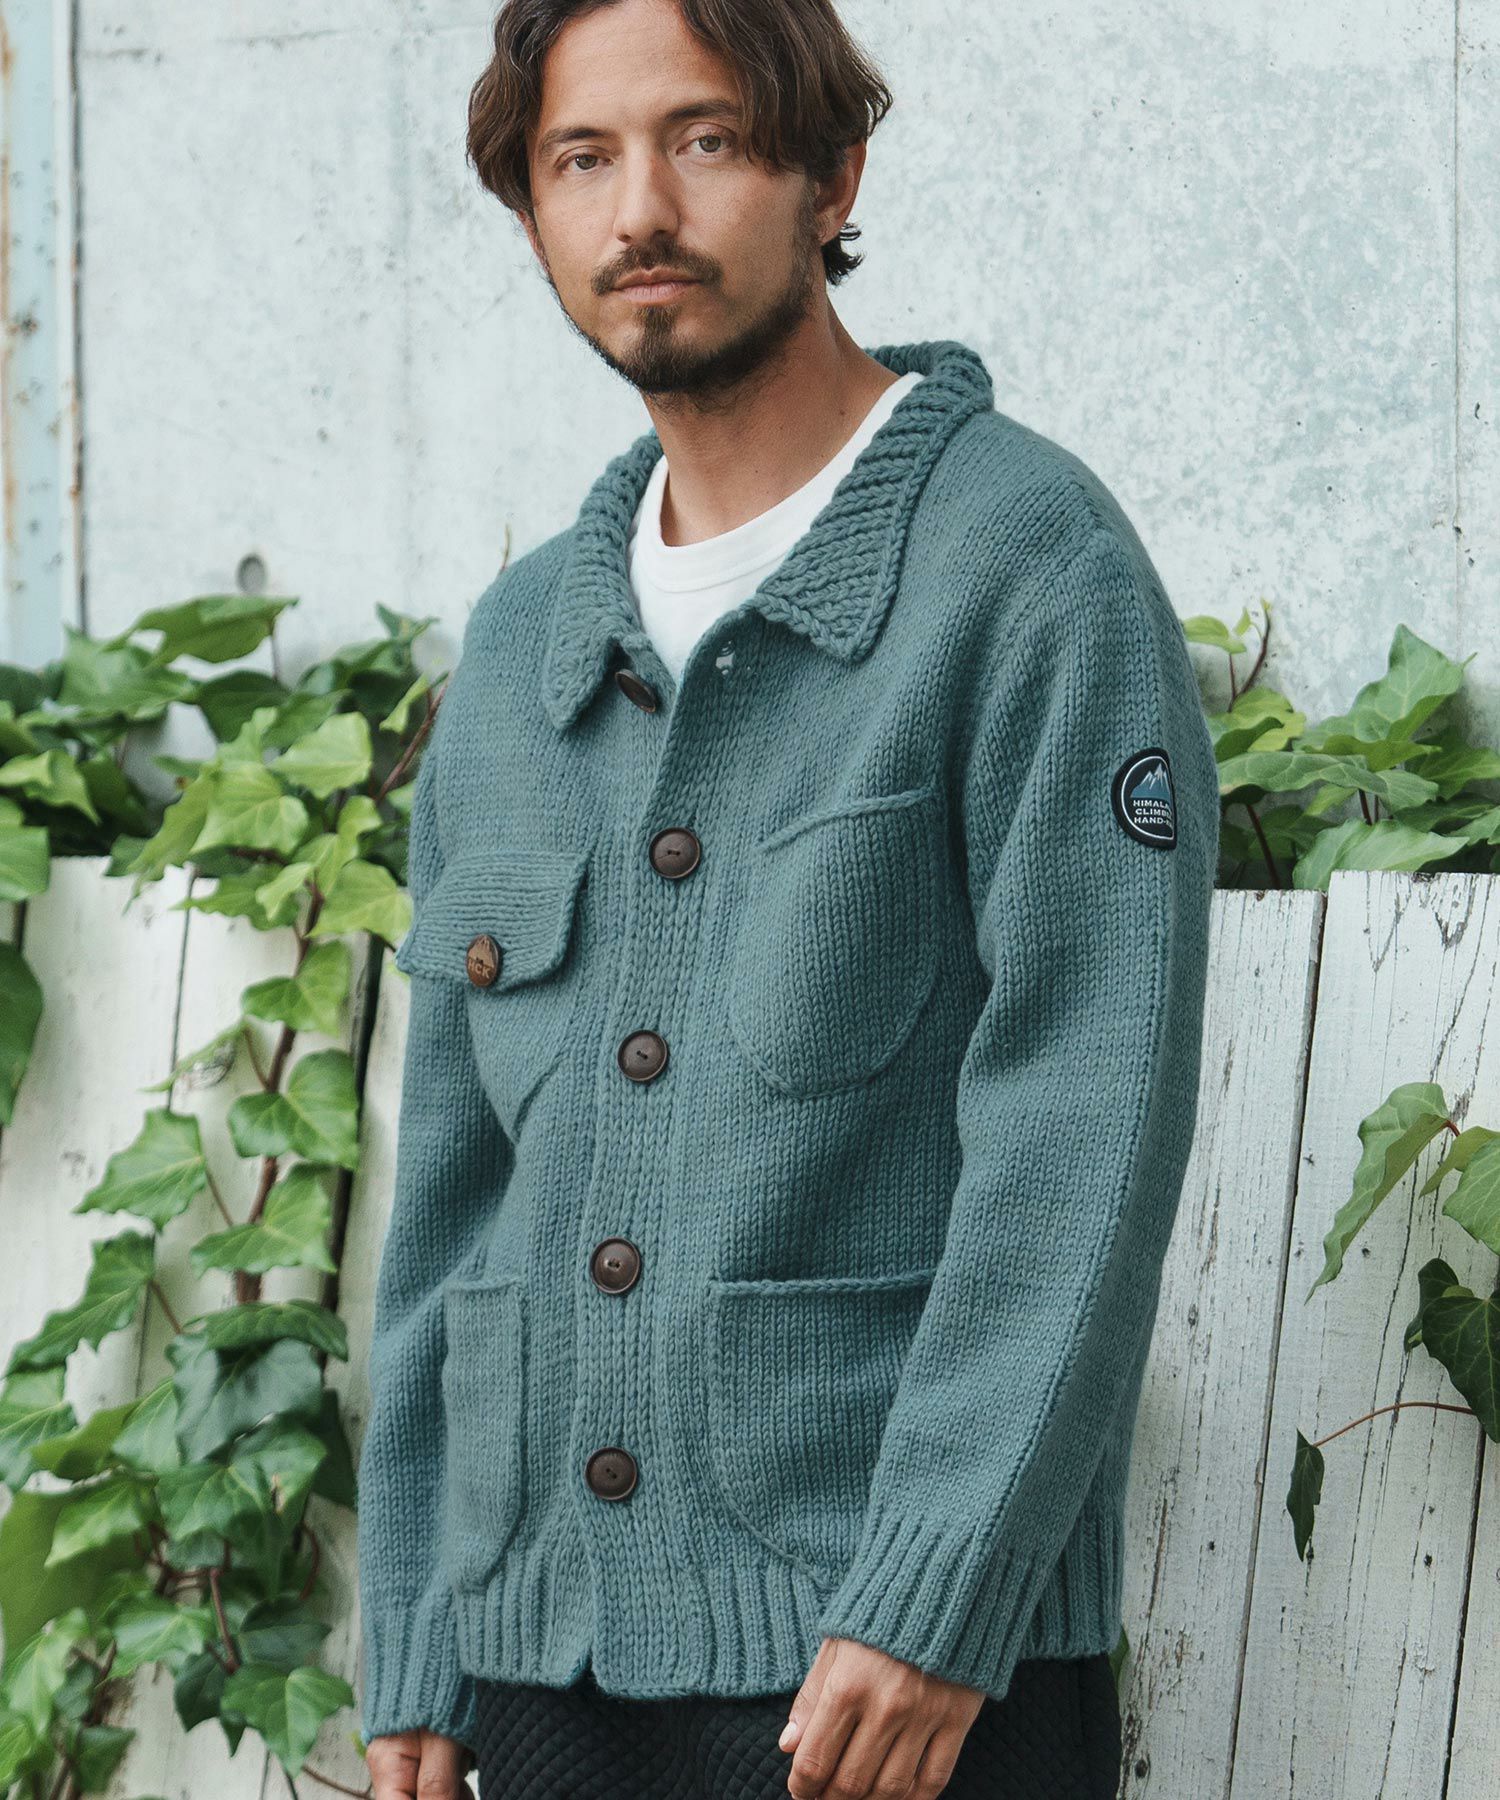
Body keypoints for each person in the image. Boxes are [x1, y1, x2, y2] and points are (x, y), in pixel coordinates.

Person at [356, 0, 1219, 1795]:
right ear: (530, 212)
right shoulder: (520, 649)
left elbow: (1083, 1127)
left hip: (892, 1679)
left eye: (708, 139)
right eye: (579, 158)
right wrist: (419, 1638)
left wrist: (935, 1594)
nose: (640, 210)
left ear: (833, 173)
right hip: (540, 1666)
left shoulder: (1029, 570)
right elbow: (456, 1198)